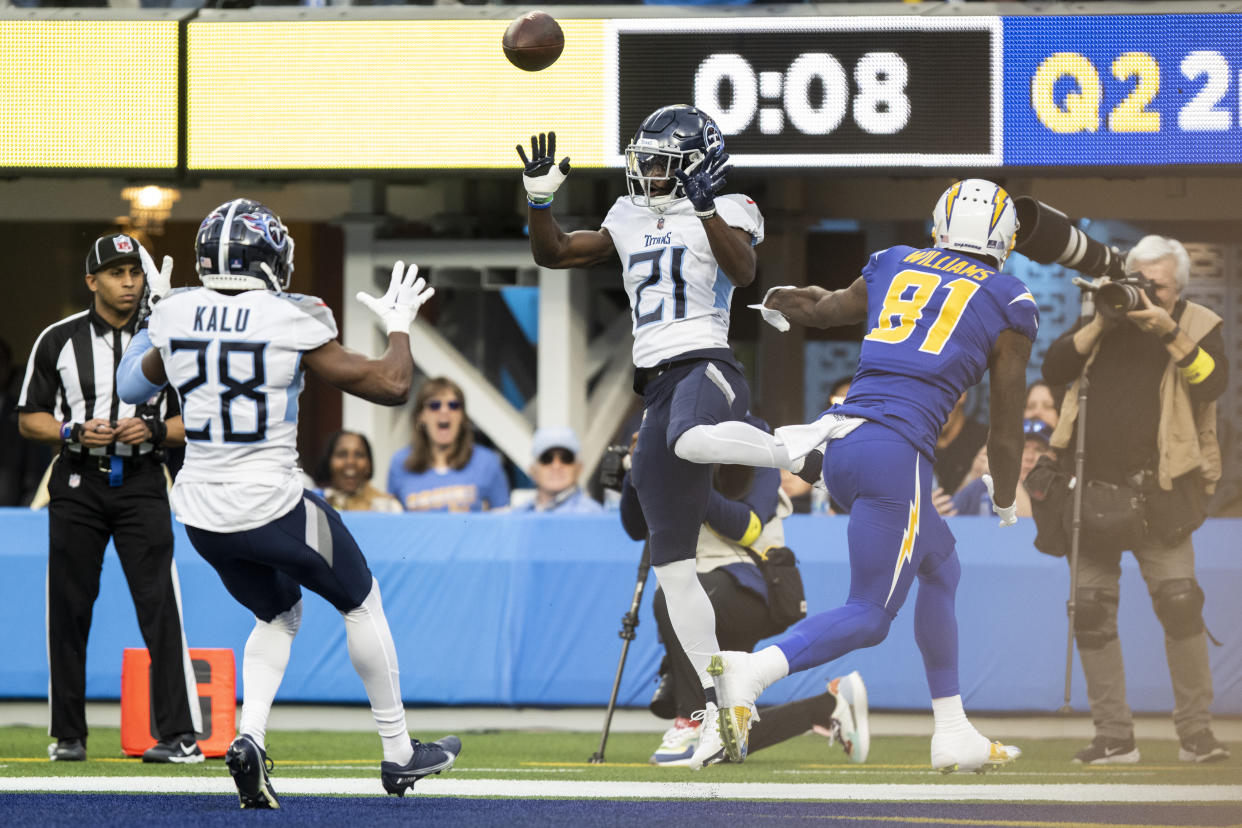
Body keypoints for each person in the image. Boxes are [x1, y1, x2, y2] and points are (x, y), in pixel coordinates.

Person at [517, 106, 844, 768]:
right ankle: (722, 709)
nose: (647, 171)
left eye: (661, 159)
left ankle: (798, 449)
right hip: (657, 384)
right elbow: (554, 252)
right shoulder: (628, 214)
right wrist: (540, 201)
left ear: (697, 163)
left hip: (708, 365)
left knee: (695, 438)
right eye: (645, 158)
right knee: (672, 570)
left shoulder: (732, 205)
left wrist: (703, 207)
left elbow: (745, 270)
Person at [115, 198, 460, 807]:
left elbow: (128, 387)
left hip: (198, 512)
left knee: (278, 615)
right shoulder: (291, 315)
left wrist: (153, 317)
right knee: (360, 599)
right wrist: (401, 325)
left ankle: (249, 738)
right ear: (268, 259)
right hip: (272, 503)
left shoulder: (173, 314)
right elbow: (392, 384)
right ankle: (399, 752)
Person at [708, 179, 1037, 772]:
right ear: (1004, 239)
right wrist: (1007, 498)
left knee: (942, 563)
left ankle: (953, 730)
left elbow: (825, 307)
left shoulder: (895, 262)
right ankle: (751, 672)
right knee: (870, 615)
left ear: (939, 224)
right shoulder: (1009, 299)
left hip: (841, 442)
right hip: (894, 452)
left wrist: (780, 300)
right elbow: (1006, 428)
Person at [1041, 234, 1230, 765]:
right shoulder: (1102, 321)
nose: (1144, 294)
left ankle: (1196, 735)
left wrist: (1166, 329)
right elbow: (1054, 371)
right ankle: (1114, 736)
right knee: (1092, 614)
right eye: (1137, 282)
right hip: (1091, 492)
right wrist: (1102, 317)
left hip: (1163, 493)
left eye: (1158, 287)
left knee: (1180, 605)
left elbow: (1211, 384)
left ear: (1179, 290)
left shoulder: (1196, 324)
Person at [15, 233, 203, 764]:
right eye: (117, 273)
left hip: (144, 480)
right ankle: (68, 734)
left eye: (135, 272)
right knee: (69, 608)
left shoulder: (167, 340)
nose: (128, 282)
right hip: (77, 481)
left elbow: (200, 417)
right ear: (91, 281)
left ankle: (179, 735)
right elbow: (28, 417)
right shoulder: (59, 338)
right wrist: (73, 431)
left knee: (161, 607)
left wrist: (153, 430)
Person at [616, 430, 870, 768]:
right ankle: (827, 706)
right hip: (697, 598)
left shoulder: (754, 439)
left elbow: (745, 527)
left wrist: (684, 479)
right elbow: (635, 528)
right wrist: (640, 469)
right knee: (726, 728)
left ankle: (691, 723)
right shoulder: (668, 439)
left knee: (674, 596)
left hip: (750, 586)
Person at [386, 376, 509, 512]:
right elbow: (393, 523)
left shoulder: (487, 462)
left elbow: (502, 522)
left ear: (462, 417)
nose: (444, 411)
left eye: (453, 405)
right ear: (420, 416)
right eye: (434, 405)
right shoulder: (400, 463)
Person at [953, 418, 1054, 517]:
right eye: (1022, 448)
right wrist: (973, 475)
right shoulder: (987, 484)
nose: (1029, 457)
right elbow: (948, 516)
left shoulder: (1061, 489)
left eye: (1039, 449)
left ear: (1054, 457)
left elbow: (1031, 528)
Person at [511, 426, 602, 514]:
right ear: (532, 469)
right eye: (546, 458)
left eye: (566, 458)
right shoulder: (516, 515)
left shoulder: (593, 515)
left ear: (579, 468)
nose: (556, 466)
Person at [312, 430, 402, 514]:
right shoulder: (314, 505)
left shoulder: (388, 508)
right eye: (342, 454)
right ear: (328, 462)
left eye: (359, 455)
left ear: (369, 465)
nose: (350, 462)